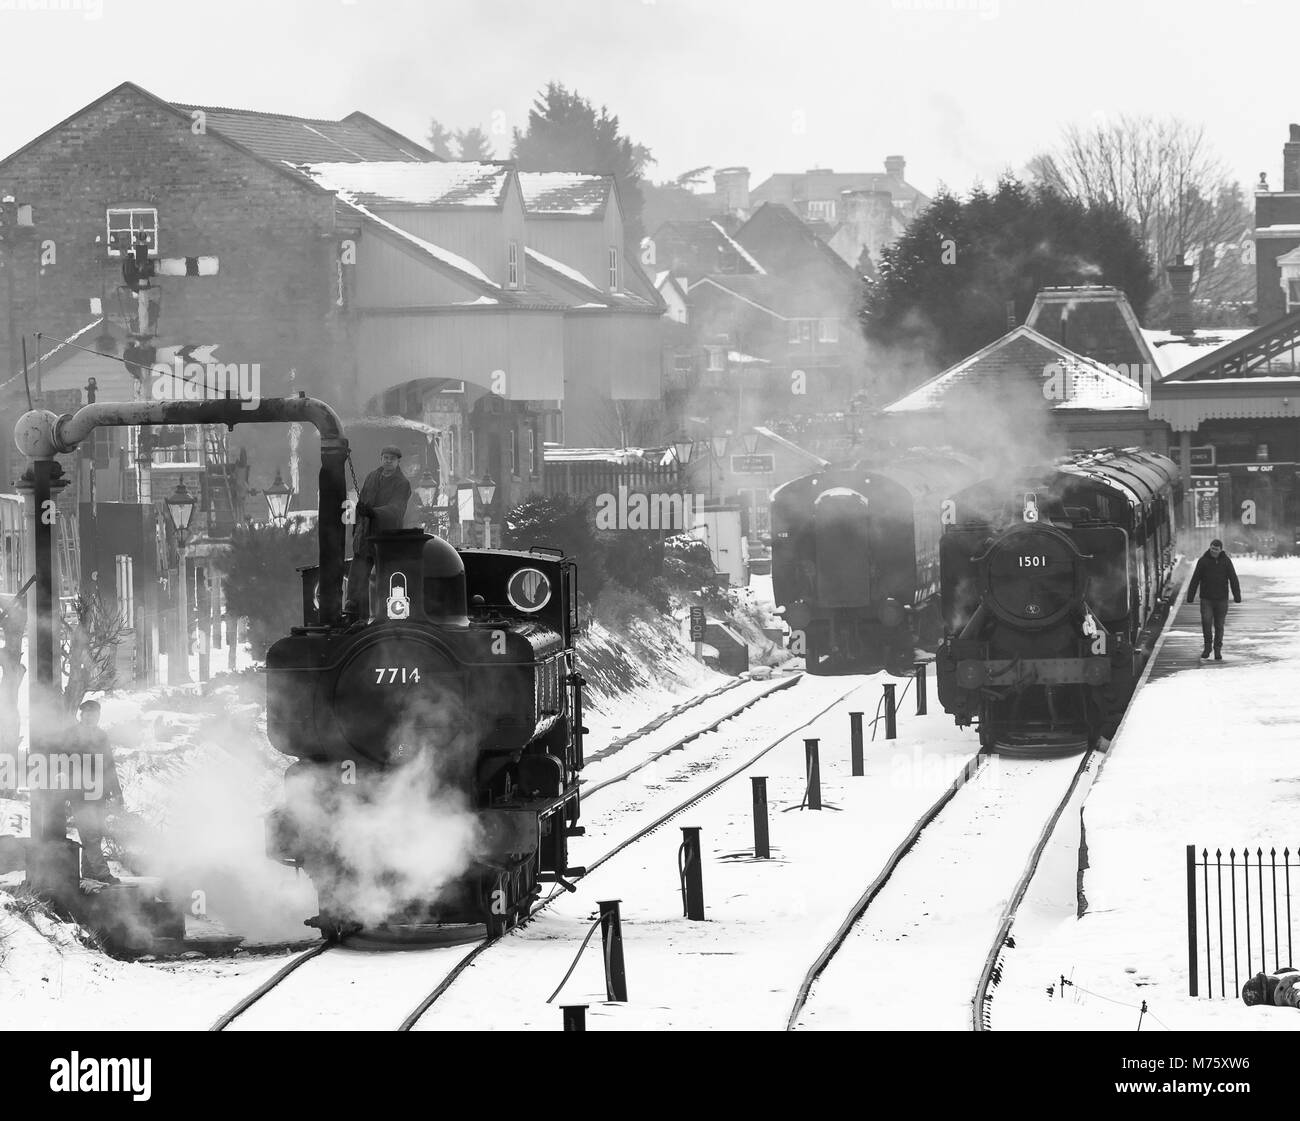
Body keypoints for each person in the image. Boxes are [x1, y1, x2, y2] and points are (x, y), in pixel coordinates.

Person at [343, 446, 412, 621]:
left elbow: (396, 509)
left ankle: (383, 618)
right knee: (356, 580)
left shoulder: (402, 484)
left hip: (385, 540)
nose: (388, 461)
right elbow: (362, 504)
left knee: (384, 581)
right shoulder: (371, 477)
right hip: (365, 537)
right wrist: (358, 524)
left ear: (398, 461)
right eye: (385, 457)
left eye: (391, 458)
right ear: (381, 459)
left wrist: (374, 512)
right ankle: (356, 617)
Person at [68, 699, 122, 884]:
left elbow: (109, 765)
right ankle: (102, 873)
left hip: (99, 794)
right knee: (90, 833)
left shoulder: (101, 736)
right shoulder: (71, 736)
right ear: (81, 715)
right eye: (88, 714)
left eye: (95, 714)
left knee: (95, 834)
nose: (92, 718)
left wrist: (117, 792)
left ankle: (89, 873)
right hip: (79, 794)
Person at [1186, 538, 1241, 660]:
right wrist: (1190, 596)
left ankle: (1217, 649)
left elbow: (1233, 578)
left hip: (1222, 599)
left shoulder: (1226, 561)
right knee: (1206, 622)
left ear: (1221, 550)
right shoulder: (1203, 561)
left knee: (1219, 625)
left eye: (1216, 549)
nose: (1214, 551)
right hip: (1207, 599)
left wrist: (1237, 595)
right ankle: (1207, 647)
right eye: (1212, 548)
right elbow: (1195, 579)